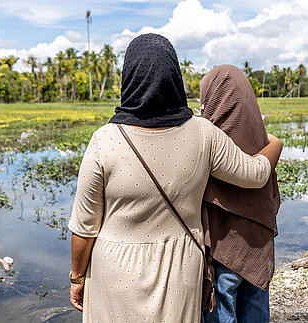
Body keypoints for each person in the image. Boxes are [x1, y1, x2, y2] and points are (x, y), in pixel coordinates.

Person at [68, 34, 282, 322]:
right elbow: (255, 175)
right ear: (175, 77)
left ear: (128, 78)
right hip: (179, 270)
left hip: (114, 268)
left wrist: (77, 277)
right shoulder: (203, 134)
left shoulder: (104, 140)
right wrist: (275, 143)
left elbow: (85, 228)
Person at [200, 65, 280, 323]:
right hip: (258, 248)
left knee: (222, 308)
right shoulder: (265, 146)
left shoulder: (207, 145)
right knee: (256, 307)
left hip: (221, 252)